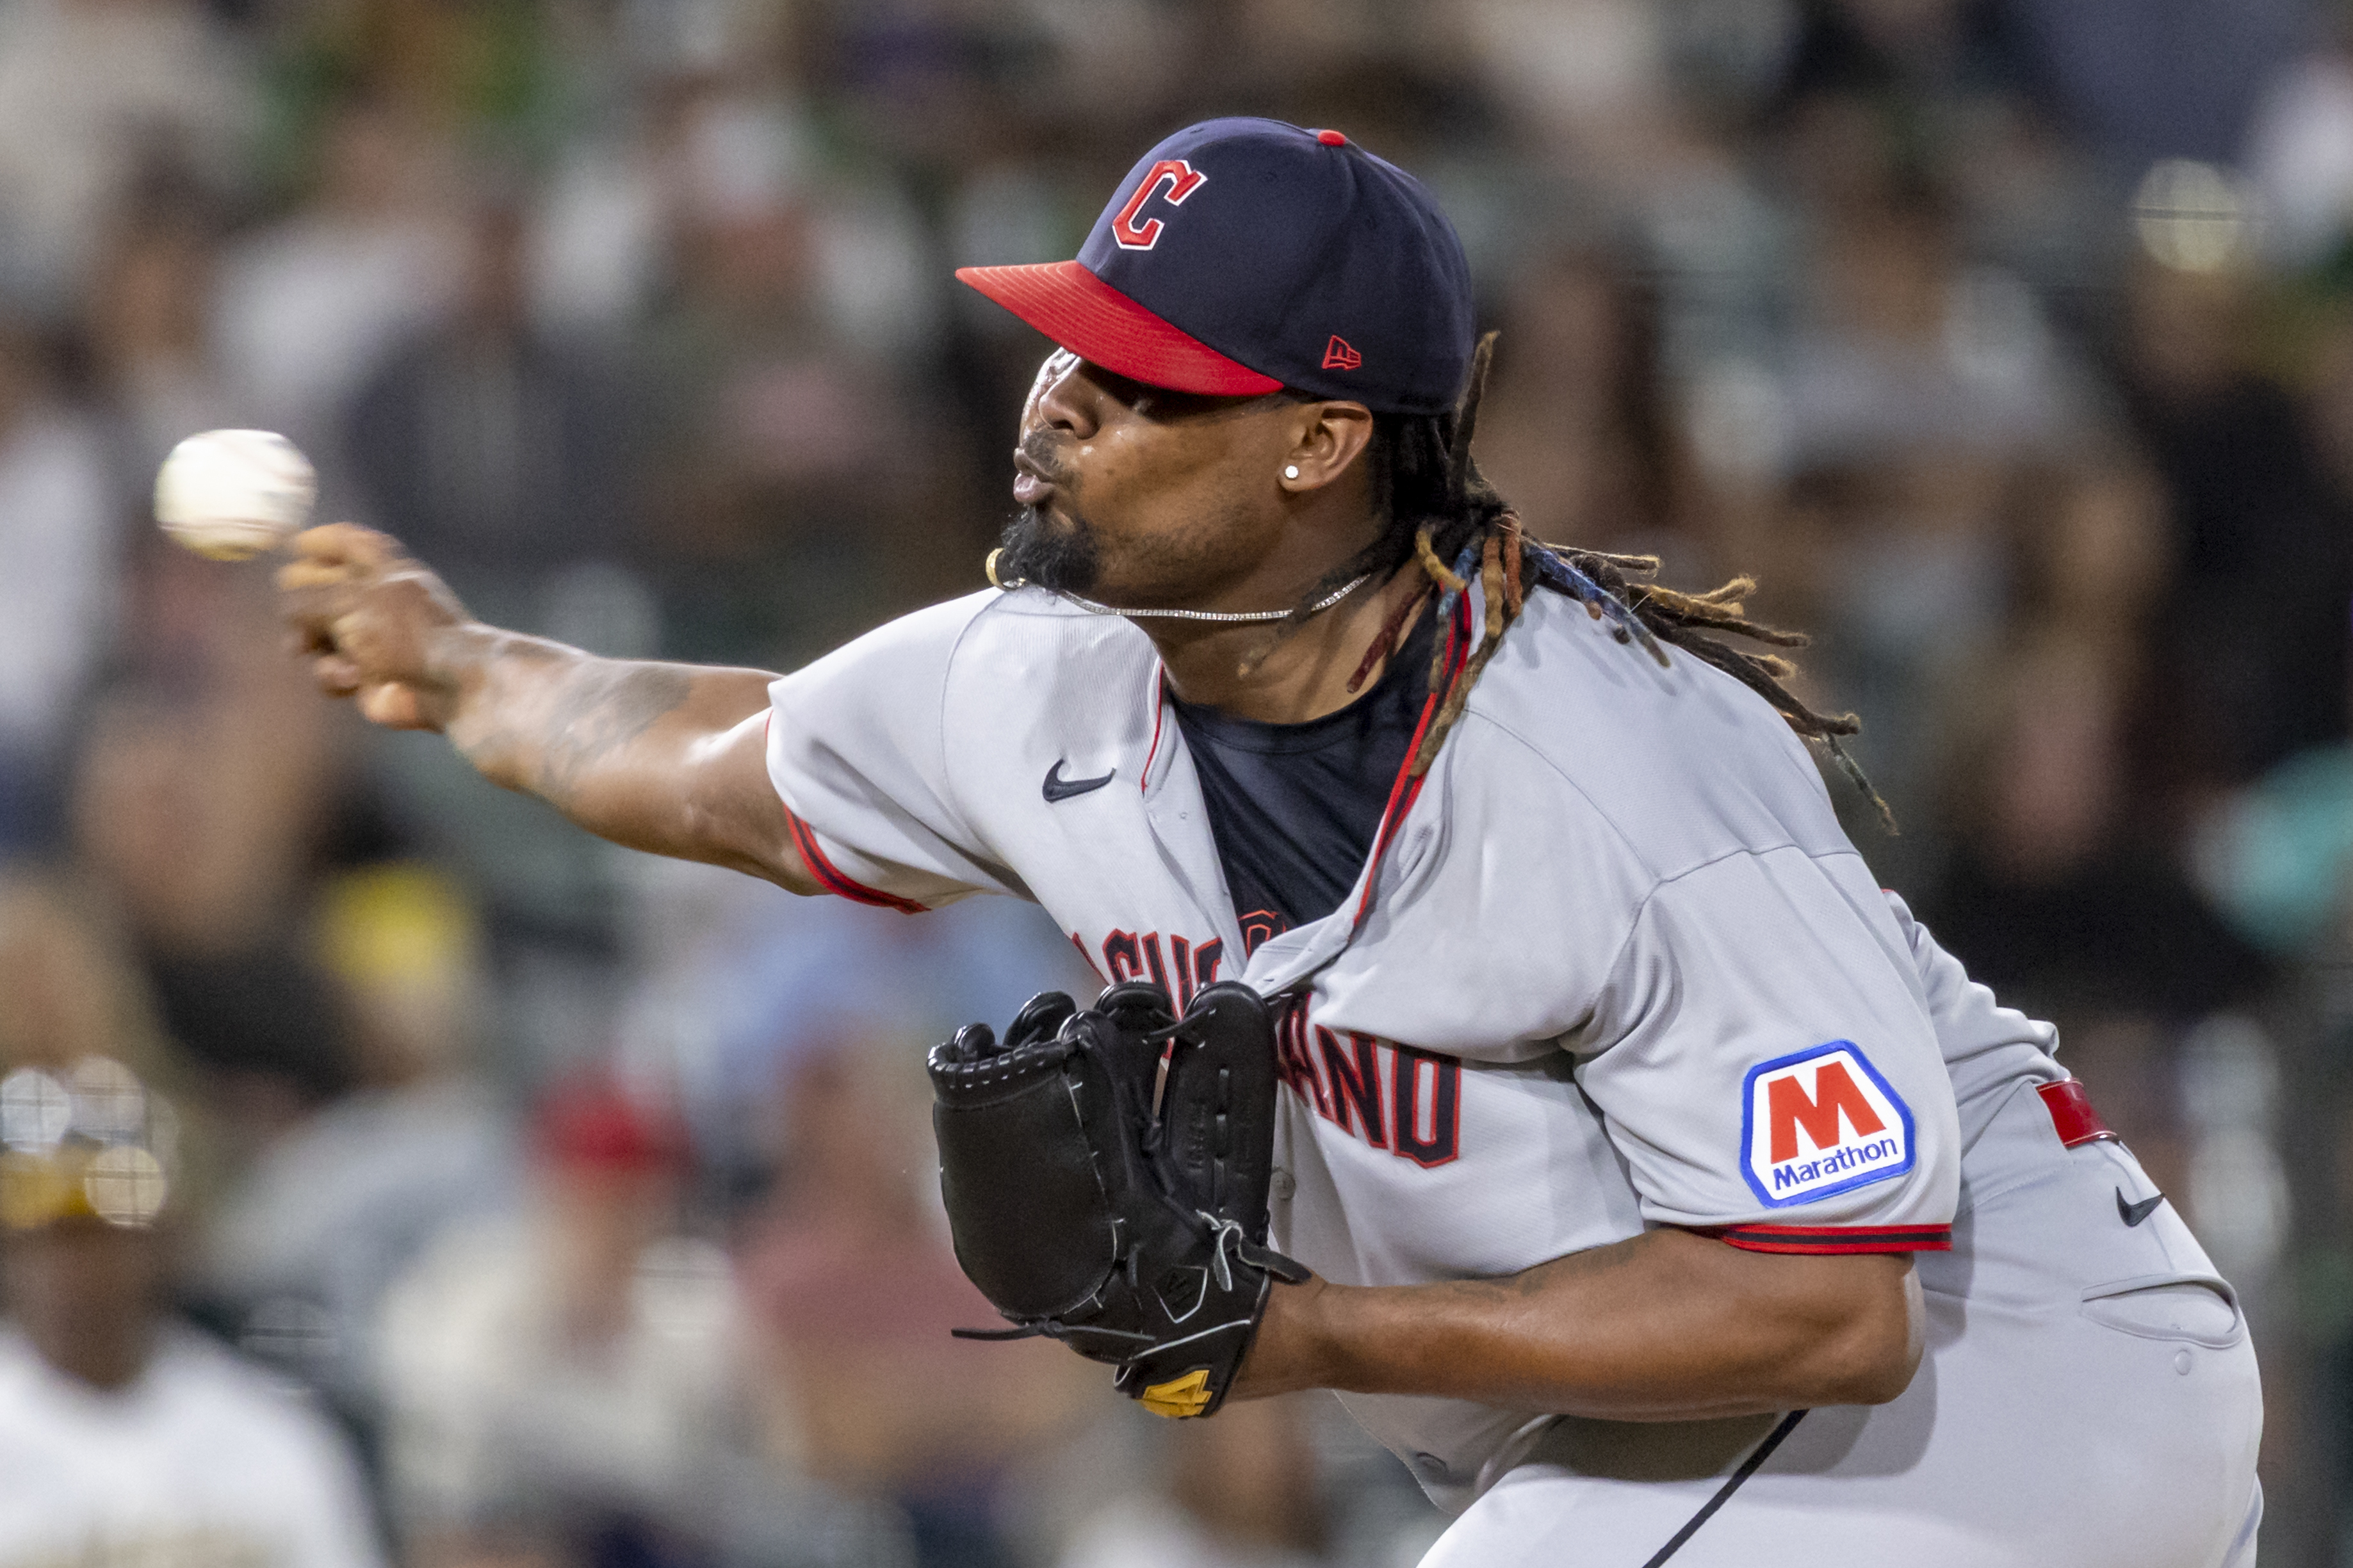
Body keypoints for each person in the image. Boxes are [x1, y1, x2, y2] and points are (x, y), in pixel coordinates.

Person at [281, 118, 2262, 1566]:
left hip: (1996, 1377)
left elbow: (1827, 1303)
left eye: (1134, 382)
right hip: (1659, 1441)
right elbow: (717, 751)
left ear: (1316, 442)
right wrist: (463, 672)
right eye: (1063, 345)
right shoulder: (1040, 679)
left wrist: (1302, 1337)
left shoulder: (1615, 779)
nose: (1052, 402)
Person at [0, 1061, 384, 1568]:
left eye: (109, 1234)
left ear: (164, 1241)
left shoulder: (270, 1432)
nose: (79, 1267)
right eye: (55, 1238)